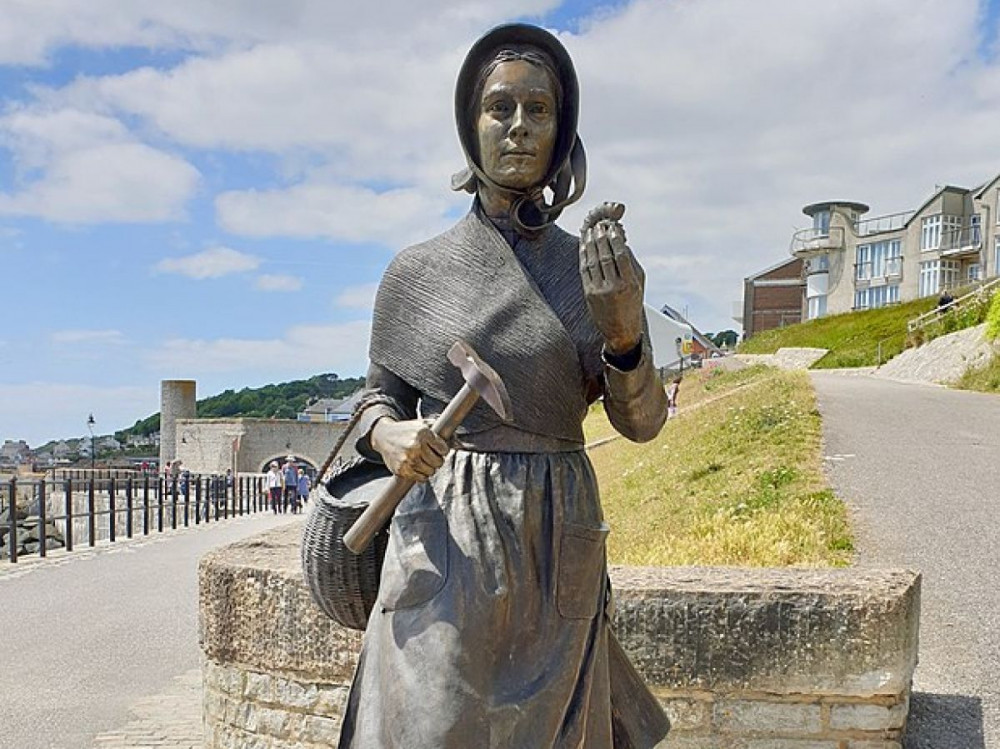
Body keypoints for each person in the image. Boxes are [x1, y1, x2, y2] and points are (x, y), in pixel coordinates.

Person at [337, 24, 668, 748]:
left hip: (555, 540)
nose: (519, 127)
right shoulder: (415, 272)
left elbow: (643, 422)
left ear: (562, 128)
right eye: (499, 108)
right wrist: (389, 434)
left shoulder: (591, 272)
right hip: (442, 534)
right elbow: (373, 398)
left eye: (539, 110)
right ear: (470, 123)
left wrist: (623, 334)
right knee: (422, 727)